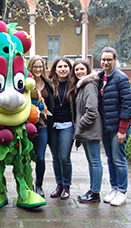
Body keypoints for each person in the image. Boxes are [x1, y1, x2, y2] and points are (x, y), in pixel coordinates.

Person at [98, 47, 131, 206]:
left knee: (119, 159)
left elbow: (127, 105)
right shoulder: (100, 77)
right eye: (103, 59)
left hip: (118, 127)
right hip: (106, 126)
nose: (105, 62)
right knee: (110, 158)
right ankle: (114, 187)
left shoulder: (121, 78)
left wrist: (123, 130)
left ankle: (122, 191)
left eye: (109, 59)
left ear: (115, 60)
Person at [69, 59, 103, 203]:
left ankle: (95, 193)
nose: (79, 72)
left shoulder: (89, 85)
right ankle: (93, 190)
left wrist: (79, 127)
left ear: (87, 70)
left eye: (82, 69)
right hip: (88, 130)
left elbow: (91, 111)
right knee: (91, 161)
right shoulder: (82, 85)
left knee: (95, 161)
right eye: (76, 69)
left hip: (91, 130)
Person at [27, 55, 54, 198]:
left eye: (40, 66)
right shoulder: (26, 82)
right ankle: (27, 184)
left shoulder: (48, 83)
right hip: (26, 125)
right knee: (25, 156)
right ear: (30, 67)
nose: (38, 69)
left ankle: (39, 184)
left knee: (40, 157)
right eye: (35, 66)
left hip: (42, 125)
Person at [48, 56, 74, 200]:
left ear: (69, 69)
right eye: (60, 66)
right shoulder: (50, 84)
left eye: (65, 66)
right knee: (55, 158)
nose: (63, 69)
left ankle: (67, 186)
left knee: (64, 157)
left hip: (67, 125)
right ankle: (59, 185)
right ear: (55, 69)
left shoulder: (73, 85)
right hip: (53, 126)